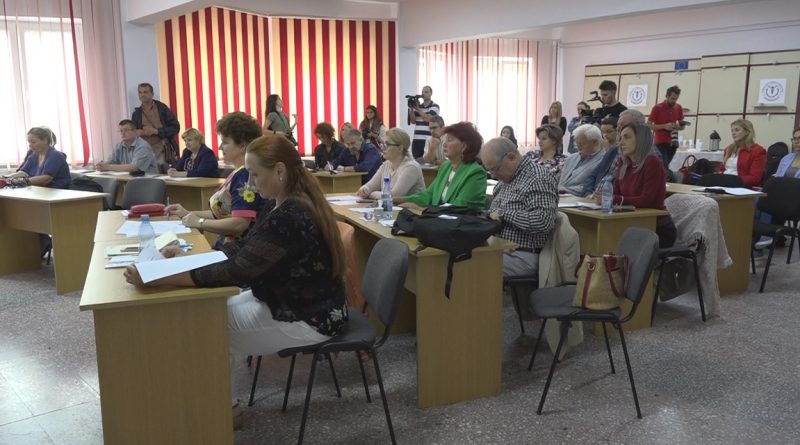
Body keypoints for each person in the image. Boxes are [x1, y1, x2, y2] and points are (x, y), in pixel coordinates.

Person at [124, 134, 348, 426]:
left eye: (255, 174)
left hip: (311, 316)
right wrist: (189, 259)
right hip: (292, 300)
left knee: (205, 326)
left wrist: (160, 277)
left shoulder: (290, 214)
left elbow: (239, 270)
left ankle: (222, 413)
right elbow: (245, 248)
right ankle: (216, 404)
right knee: (206, 313)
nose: (251, 184)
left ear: (280, 171)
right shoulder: (279, 204)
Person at [481, 136, 557, 318]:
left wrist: (503, 214)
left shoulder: (538, 178)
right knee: (457, 257)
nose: (493, 175)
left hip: (525, 254)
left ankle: (477, 328)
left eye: (495, 169)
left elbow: (543, 222)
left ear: (512, 157)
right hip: (503, 249)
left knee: (470, 267)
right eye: (490, 170)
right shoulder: (505, 181)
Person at [166, 112, 264, 249]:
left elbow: (239, 224)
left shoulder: (245, 176)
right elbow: (224, 214)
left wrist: (200, 222)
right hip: (227, 245)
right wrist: (188, 213)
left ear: (242, 145)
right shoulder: (238, 172)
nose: (220, 147)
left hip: (237, 250)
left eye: (225, 142)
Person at [605, 123, 676, 248]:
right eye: (620, 138)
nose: (621, 143)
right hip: (629, 220)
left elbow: (646, 200)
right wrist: (606, 197)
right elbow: (615, 193)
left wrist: (614, 199)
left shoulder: (652, 162)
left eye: (627, 137)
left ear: (641, 139)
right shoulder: (624, 163)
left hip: (656, 227)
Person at [395, 121, 487, 209]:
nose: (444, 144)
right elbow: (428, 195)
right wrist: (398, 200)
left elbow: (459, 208)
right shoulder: (446, 166)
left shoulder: (475, 173)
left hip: (458, 219)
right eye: (445, 139)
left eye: (449, 140)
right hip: (437, 218)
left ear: (464, 146)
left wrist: (421, 210)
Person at [581, 110, 645, 197]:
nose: (618, 129)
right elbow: (592, 176)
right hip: (595, 198)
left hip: (614, 201)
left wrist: (611, 199)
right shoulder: (614, 150)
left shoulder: (648, 155)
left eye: (622, 125)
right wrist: (588, 194)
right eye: (618, 125)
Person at [357, 128, 425, 200]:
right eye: (382, 143)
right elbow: (369, 186)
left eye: (387, 144)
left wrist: (371, 193)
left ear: (400, 148)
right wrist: (364, 190)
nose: (382, 147)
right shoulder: (386, 164)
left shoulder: (411, 167)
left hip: (413, 207)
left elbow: (393, 196)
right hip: (393, 206)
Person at [131, 82, 181, 170]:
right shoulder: (136, 113)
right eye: (140, 92)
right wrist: (137, 132)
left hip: (161, 149)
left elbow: (175, 127)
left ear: (152, 94)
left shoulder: (162, 109)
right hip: (143, 151)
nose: (142, 95)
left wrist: (156, 131)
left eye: (145, 92)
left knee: (161, 174)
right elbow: (132, 132)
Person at [558, 124, 605, 196]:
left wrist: (562, 190)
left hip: (580, 200)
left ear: (595, 142)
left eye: (581, 144)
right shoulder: (571, 158)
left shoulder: (604, 160)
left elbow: (591, 187)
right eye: (576, 144)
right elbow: (560, 181)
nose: (578, 147)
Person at [719, 119, 766, 188]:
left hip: (741, 187)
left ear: (747, 132)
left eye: (737, 130)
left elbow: (755, 178)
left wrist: (731, 180)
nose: (733, 133)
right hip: (723, 184)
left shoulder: (758, 151)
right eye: (732, 131)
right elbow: (722, 170)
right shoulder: (729, 149)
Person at [648, 85, 686, 170]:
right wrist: (664, 126)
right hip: (660, 142)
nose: (674, 101)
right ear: (667, 96)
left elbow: (682, 127)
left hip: (673, 142)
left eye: (676, 99)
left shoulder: (678, 107)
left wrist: (678, 126)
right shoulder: (657, 108)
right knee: (663, 166)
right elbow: (648, 125)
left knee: (665, 167)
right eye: (672, 98)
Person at [408, 85, 440, 159]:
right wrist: (411, 108)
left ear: (431, 94)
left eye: (426, 92)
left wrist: (417, 109)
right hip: (416, 141)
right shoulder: (419, 106)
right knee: (417, 163)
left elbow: (428, 118)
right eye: (422, 92)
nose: (423, 94)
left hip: (428, 140)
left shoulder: (435, 106)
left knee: (428, 162)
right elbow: (413, 121)